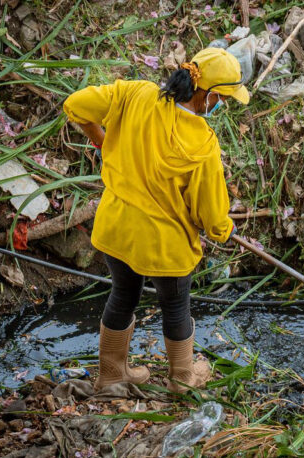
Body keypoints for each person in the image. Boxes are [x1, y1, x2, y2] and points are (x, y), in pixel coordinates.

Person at [63, 48, 249, 393]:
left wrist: (102, 142)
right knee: (176, 307)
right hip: (165, 245)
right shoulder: (202, 144)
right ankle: (182, 380)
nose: (222, 105)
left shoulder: (136, 94)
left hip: (117, 228)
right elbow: (210, 213)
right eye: (222, 98)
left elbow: (75, 104)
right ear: (207, 95)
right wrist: (224, 229)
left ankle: (111, 376)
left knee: (122, 295)